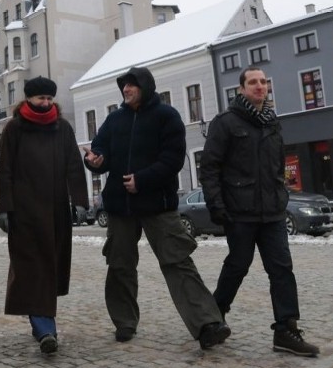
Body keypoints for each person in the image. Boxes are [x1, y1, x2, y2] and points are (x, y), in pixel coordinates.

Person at [83, 66, 230, 350]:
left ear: (145, 87)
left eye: (131, 86)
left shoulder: (167, 116)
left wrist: (143, 180)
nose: (125, 90)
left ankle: (207, 324)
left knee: (178, 262)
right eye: (123, 86)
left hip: (158, 204)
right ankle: (124, 322)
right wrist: (95, 161)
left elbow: (173, 159)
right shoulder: (114, 119)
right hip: (121, 207)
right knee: (119, 265)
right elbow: (99, 151)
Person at [200, 66, 320, 357]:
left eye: (263, 82)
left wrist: (281, 193)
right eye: (252, 82)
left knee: (281, 269)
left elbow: (277, 165)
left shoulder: (271, 121)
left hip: (272, 213)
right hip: (239, 213)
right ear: (241, 89)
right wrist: (217, 206)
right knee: (237, 266)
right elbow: (210, 168)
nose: (259, 86)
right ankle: (212, 320)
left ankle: (286, 330)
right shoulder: (225, 122)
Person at [0, 76, 89, 354]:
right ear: (29, 99)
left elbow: (73, 164)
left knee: (49, 268)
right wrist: (3, 208)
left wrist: (80, 200)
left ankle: (42, 323)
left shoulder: (62, 128)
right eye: (40, 99)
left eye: (49, 99)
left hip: (55, 210)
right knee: (31, 269)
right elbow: (5, 171)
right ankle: (46, 329)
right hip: (24, 213)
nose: (45, 103)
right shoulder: (14, 129)